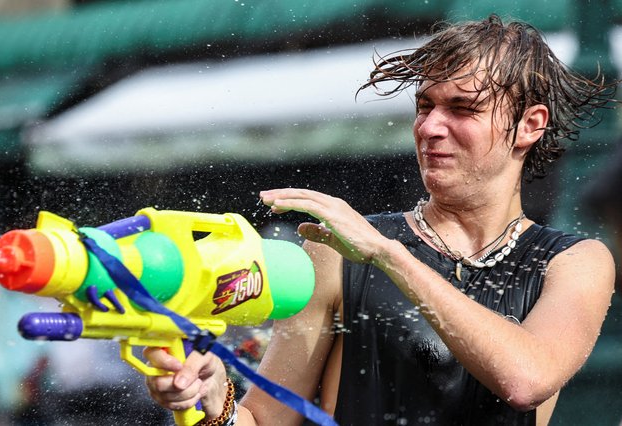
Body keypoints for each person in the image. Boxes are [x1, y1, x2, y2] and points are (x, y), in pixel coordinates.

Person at [144, 15, 617, 425]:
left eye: (463, 108)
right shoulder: (334, 250)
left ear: (530, 125)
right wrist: (212, 405)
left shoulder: (576, 261)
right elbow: (264, 420)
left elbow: (525, 379)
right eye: (425, 105)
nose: (430, 126)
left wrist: (388, 255)